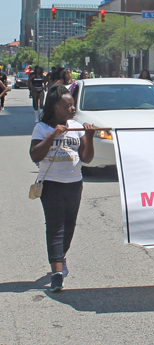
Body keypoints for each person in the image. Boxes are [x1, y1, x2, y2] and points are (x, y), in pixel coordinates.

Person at [29, 85, 96, 292]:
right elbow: (35, 156)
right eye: (68, 105)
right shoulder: (41, 128)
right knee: (56, 226)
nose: (72, 109)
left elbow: (86, 158)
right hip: (51, 185)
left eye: (73, 105)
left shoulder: (76, 126)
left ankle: (61, 256)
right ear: (55, 107)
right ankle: (57, 272)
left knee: (69, 225)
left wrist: (90, 137)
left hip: (75, 184)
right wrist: (52, 136)